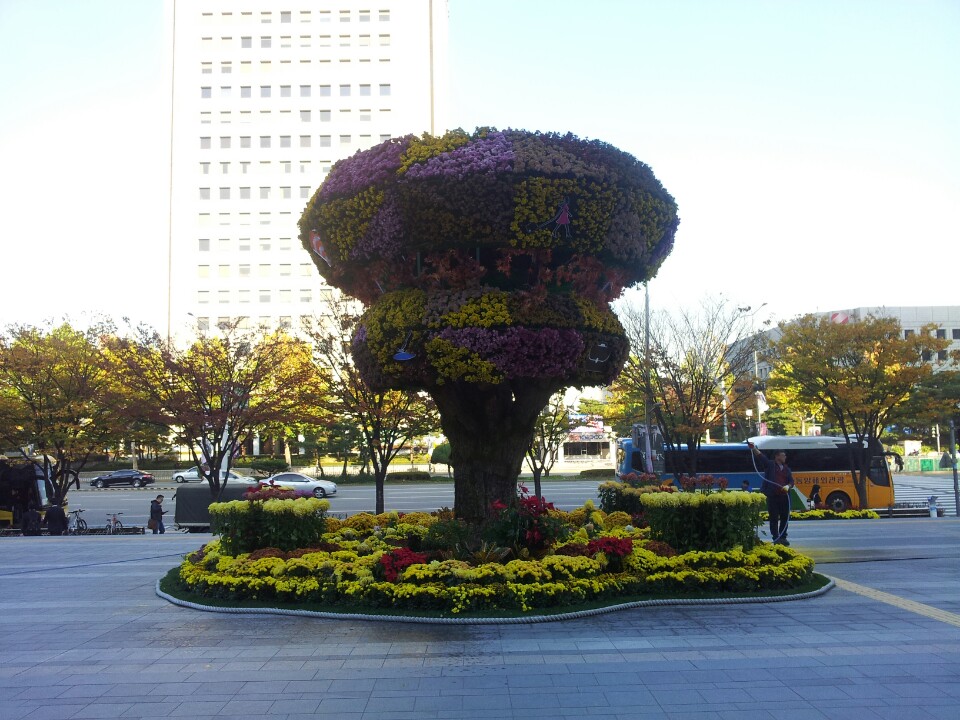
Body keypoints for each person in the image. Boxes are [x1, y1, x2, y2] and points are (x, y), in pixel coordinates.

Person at [748, 441, 794, 545]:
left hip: (785, 497)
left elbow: (791, 481)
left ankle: (783, 537)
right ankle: (776, 537)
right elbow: (761, 457)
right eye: (783, 455)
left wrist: (788, 486)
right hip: (773, 497)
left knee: (785, 518)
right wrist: (753, 448)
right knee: (774, 518)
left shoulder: (787, 469)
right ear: (777, 456)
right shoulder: (770, 465)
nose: (785, 457)